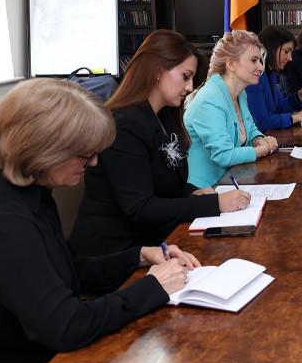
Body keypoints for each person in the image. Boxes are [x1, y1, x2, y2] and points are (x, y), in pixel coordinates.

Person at [0, 79, 199, 363]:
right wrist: (152, 288)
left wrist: (138, 256)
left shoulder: (28, 193)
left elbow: (65, 270)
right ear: (44, 150)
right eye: (85, 155)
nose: (95, 162)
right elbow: (66, 325)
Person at [69, 30, 252, 259]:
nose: (190, 87)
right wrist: (213, 204)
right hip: (114, 253)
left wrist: (193, 192)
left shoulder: (164, 117)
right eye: (185, 76)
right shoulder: (124, 126)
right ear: (157, 70)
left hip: (155, 239)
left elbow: (165, 186)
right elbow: (140, 208)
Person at [184, 30, 279, 188]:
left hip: (231, 182)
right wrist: (263, 149)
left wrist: (259, 139)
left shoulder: (240, 93)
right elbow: (224, 155)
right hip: (205, 190)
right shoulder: (209, 99)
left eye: (260, 61)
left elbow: (250, 128)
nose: (261, 67)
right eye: (254, 60)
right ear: (231, 64)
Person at [245, 26, 302, 131]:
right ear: (271, 49)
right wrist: (295, 118)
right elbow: (261, 122)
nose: (290, 58)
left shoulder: (270, 73)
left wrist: (299, 96)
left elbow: (278, 107)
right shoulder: (254, 77)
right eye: (286, 51)